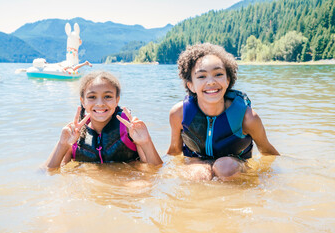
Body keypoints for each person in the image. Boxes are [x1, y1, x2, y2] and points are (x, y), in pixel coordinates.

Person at [167, 43, 279, 181]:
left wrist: (273, 179)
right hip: (198, 164)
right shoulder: (179, 113)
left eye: (218, 74)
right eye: (201, 76)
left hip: (233, 165)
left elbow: (268, 152)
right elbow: (174, 152)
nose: (211, 82)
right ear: (191, 86)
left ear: (227, 81)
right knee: (198, 174)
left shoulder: (248, 117)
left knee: (224, 167)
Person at [45, 71, 163, 170]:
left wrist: (146, 141)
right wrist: (62, 145)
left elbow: (156, 170)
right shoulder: (75, 134)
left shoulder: (129, 129)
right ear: (83, 101)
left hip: (125, 185)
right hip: (90, 188)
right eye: (92, 97)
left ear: (117, 100)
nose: (100, 104)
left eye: (108, 96)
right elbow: (48, 172)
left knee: (138, 186)